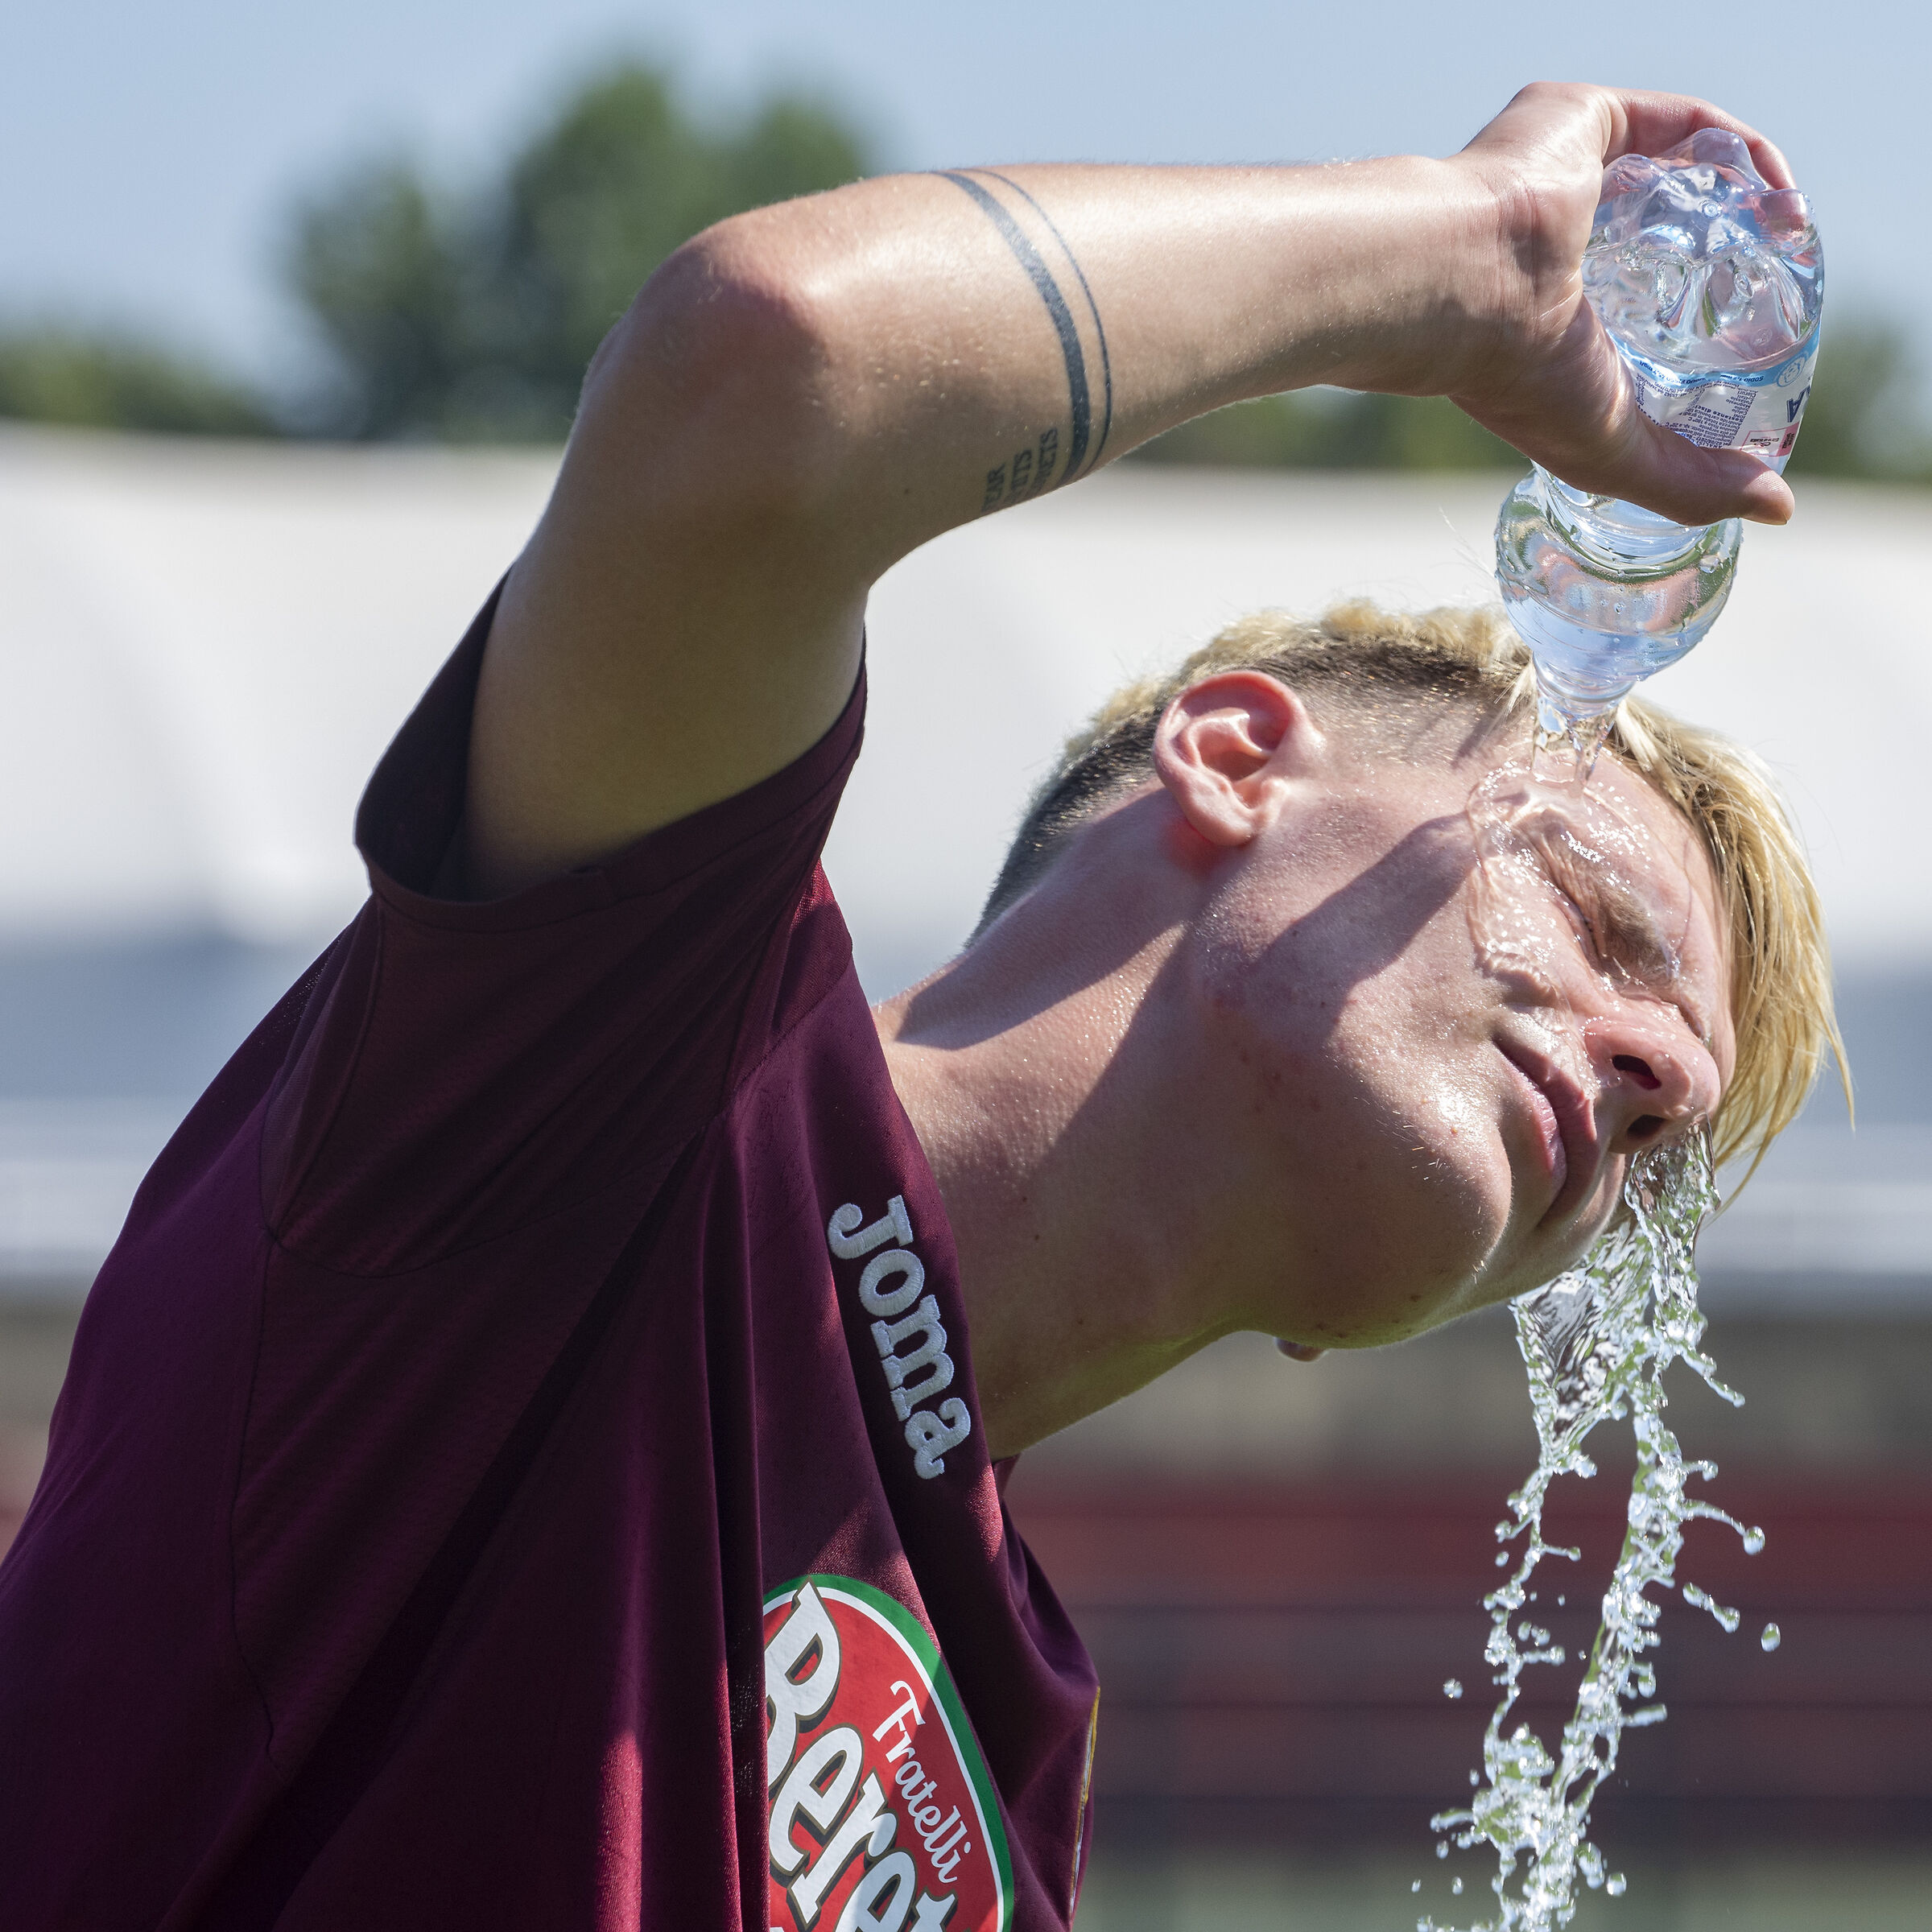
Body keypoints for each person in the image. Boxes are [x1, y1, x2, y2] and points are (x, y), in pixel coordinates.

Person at [0, 81, 1836, 1932]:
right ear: (1231, 757)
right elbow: (767, 374)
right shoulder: (641, 1068)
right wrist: (1464, 260)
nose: (1661, 1074)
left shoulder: (1016, 1767)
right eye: (1592, 908)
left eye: (1666, 1138)